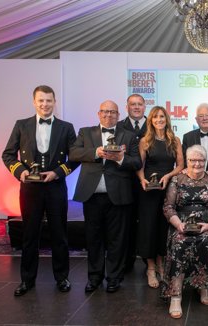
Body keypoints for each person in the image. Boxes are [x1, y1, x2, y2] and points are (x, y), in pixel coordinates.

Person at [2, 85, 79, 297]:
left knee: (59, 234)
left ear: (55, 102)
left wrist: (57, 173)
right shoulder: (21, 125)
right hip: (30, 189)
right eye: (41, 101)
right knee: (29, 235)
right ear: (34, 102)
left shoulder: (66, 127)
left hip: (55, 187)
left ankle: (62, 277)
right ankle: (27, 280)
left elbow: (74, 158)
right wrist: (21, 173)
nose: (45, 104)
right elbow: (8, 155)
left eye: (49, 100)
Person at [70, 100, 142, 293]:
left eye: (113, 112)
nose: (109, 115)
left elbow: (137, 163)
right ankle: (94, 278)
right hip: (92, 195)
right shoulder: (86, 132)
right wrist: (96, 152)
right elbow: (73, 153)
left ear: (119, 115)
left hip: (118, 195)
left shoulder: (129, 135)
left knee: (117, 240)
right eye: (105, 112)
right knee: (93, 238)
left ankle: (114, 278)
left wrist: (121, 159)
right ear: (98, 113)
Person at [162, 145, 208, 319]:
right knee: (179, 242)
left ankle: (204, 287)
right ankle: (176, 295)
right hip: (181, 224)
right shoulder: (177, 179)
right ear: (187, 161)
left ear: (205, 161)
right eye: (193, 160)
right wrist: (178, 225)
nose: (197, 164)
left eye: (200, 160)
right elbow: (168, 207)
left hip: (206, 224)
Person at [136, 106, 184, 289]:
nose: (159, 120)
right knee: (149, 227)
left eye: (162, 116)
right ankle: (150, 268)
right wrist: (142, 180)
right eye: (155, 117)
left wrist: (168, 176)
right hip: (148, 189)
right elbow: (139, 166)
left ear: (167, 119)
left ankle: (161, 264)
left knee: (164, 227)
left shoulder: (174, 140)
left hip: (168, 188)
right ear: (151, 120)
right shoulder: (145, 141)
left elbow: (181, 165)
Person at [117, 94, 147, 273]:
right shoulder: (118, 127)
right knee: (125, 225)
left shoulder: (154, 125)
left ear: (145, 106)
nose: (136, 107)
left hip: (148, 185)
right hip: (124, 184)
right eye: (132, 104)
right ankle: (125, 262)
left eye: (139, 104)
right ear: (126, 107)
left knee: (147, 224)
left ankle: (148, 261)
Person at [182, 103, 208, 172]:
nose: (204, 118)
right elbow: (184, 161)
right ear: (196, 119)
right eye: (201, 116)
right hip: (193, 180)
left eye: (207, 115)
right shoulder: (188, 137)